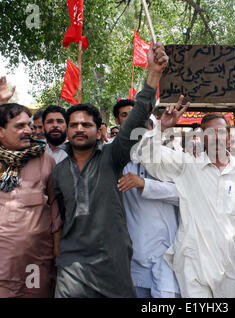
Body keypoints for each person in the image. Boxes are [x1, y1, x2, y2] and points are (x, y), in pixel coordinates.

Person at [133, 100, 235, 298]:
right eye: (210, 132)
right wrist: (163, 126)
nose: (216, 136)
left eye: (221, 132)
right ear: (201, 138)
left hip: (228, 261)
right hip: (194, 262)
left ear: (228, 138)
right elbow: (146, 156)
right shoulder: (187, 166)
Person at [53, 42, 168, 298]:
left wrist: (155, 74)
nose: (80, 129)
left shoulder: (112, 157)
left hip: (112, 260)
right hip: (72, 264)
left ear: (99, 129)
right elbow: (56, 219)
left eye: (86, 124)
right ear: (67, 130)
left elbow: (138, 116)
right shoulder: (58, 171)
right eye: (74, 125)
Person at [0, 102, 62, 297]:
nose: (28, 131)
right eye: (19, 126)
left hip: (36, 266)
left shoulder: (45, 160)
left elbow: (56, 209)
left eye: (29, 125)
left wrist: (57, 253)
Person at [118, 115, 181, 298]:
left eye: (146, 127)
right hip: (133, 255)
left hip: (167, 253)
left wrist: (145, 184)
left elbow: (186, 195)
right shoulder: (121, 163)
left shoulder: (172, 158)